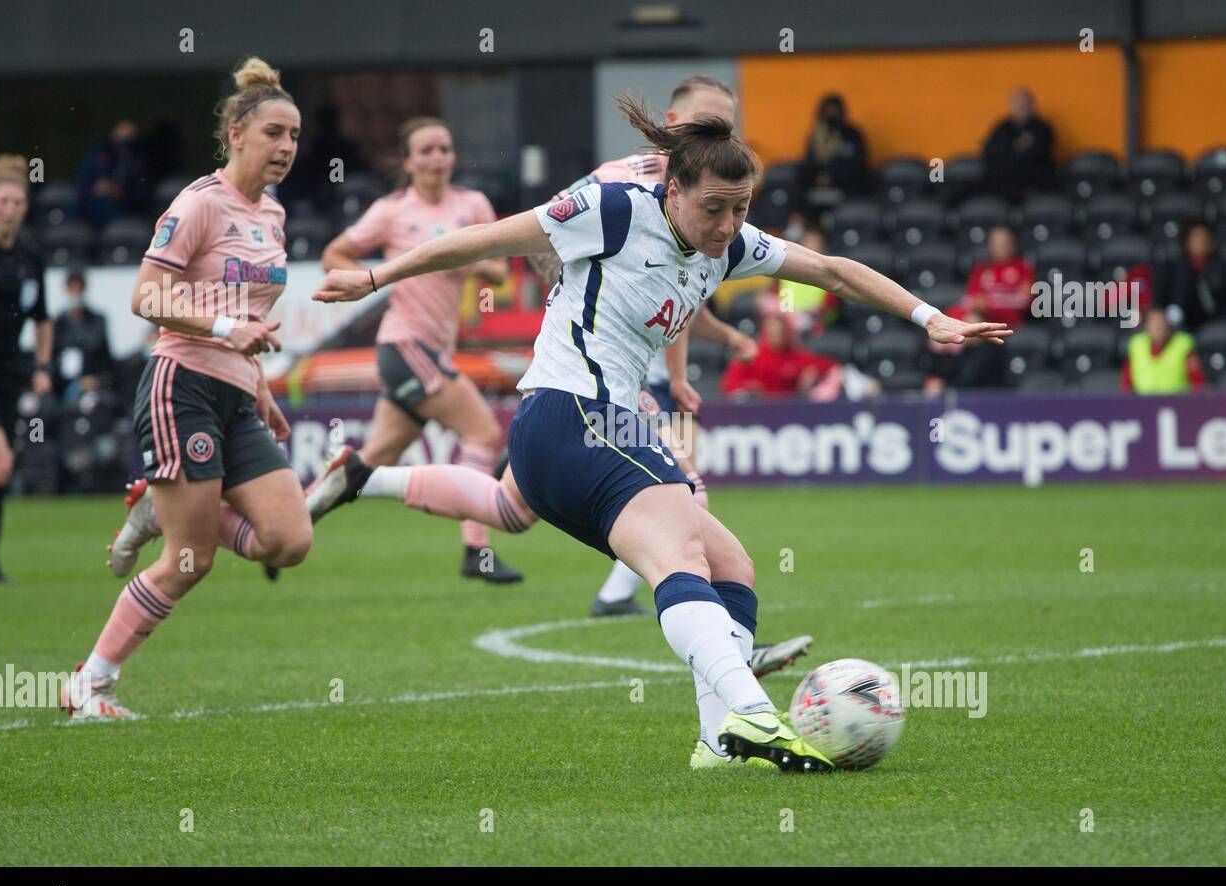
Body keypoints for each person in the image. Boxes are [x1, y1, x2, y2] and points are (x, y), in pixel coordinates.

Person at [307, 95, 1010, 770]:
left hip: (594, 426)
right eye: (713, 208)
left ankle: (717, 740)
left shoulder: (726, 247)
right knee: (679, 555)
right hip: (572, 415)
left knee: (732, 567)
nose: (728, 224)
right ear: (673, 189)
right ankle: (753, 713)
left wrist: (928, 317)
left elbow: (828, 272)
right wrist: (376, 277)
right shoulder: (612, 210)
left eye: (741, 209)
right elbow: (479, 241)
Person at [62, 57, 313, 719]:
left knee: (290, 540)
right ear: (236, 132)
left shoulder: (275, 214)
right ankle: (90, 683)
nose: (286, 146)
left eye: (294, 135)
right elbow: (147, 297)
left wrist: (257, 384)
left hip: (235, 394)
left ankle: (158, 505)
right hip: (182, 387)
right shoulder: (200, 203)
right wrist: (228, 327)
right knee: (189, 560)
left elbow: (250, 318)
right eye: (274, 133)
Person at [530, 76, 761, 621]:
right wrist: (576, 289)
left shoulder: (713, 199)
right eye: (709, 122)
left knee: (508, 509)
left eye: (726, 125)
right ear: (676, 124)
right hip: (594, 381)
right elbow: (544, 236)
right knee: (687, 493)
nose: (720, 133)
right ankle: (711, 641)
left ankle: (368, 477)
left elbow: (684, 300)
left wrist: (697, 360)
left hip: (645, 381)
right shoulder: (618, 187)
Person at [317, 116, 520, 583]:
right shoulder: (391, 211)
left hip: (432, 350)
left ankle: (293, 525)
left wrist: (465, 262)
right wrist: (373, 284)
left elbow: (499, 272)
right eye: (426, 151)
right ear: (408, 162)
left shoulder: (473, 205)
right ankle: (476, 550)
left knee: (370, 462)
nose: (437, 158)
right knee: (484, 435)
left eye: (444, 149)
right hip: (403, 343)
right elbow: (335, 255)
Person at [0, 154, 52, 585]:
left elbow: (43, 318)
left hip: (10, 370)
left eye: (17, 202)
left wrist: (43, 366)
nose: (10, 208)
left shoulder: (30, 252)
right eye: (3, 200)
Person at [928, 224, 1033, 391]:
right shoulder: (982, 269)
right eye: (996, 242)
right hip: (981, 324)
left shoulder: (1023, 268)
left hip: (1007, 326)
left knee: (976, 342)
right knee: (943, 331)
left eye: (1004, 241)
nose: (1001, 246)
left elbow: (1023, 302)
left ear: (1013, 243)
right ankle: (937, 380)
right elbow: (971, 301)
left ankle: (953, 386)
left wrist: (989, 304)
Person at [721, 308, 842, 399]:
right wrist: (746, 388)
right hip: (759, 412)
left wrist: (813, 371)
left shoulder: (796, 355)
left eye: (780, 331)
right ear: (765, 332)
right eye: (772, 331)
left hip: (789, 411)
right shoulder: (752, 356)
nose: (777, 335)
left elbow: (829, 365)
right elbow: (729, 386)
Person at [1154, 222, 1226, 333]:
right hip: (1179, 325)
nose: (1200, 242)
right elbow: (1160, 299)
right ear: (1187, 242)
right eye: (1196, 238)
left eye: (1204, 238)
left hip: (1214, 323)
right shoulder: (1174, 268)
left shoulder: (1221, 267)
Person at [982, 88, 1055, 203]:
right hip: (1002, 180)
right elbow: (988, 151)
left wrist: (1008, 150)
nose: (1020, 107)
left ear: (1033, 105)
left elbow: (1038, 154)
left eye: (1024, 103)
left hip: (1032, 181)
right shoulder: (1003, 127)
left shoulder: (1042, 127)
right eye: (1017, 103)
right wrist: (1015, 145)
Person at [73, 119, 149, 229]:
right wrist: (95, 188)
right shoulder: (99, 153)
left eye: (128, 139)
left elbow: (142, 194)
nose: (123, 142)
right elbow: (82, 182)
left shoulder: (137, 161)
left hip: (123, 208)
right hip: (91, 204)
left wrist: (119, 191)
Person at [51, 271, 115, 401]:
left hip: (92, 383)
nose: (75, 293)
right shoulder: (59, 322)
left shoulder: (97, 320)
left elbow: (104, 357)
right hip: (63, 385)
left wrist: (96, 380)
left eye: (78, 288)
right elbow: (54, 357)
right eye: (71, 288)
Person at [798, 94, 869, 202]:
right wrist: (818, 178)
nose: (831, 114)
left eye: (834, 110)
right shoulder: (816, 136)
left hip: (847, 185)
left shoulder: (852, 135)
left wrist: (833, 178)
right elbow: (809, 163)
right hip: (818, 184)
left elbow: (858, 165)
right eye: (828, 110)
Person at [1121, 306, 1205, 394]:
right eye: (1154, 325)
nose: (1159, 329)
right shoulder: (1136, 345)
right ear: (1146, 327)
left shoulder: (1183, 345)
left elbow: (1198, 383)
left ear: (1168, 326)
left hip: (1176, 402)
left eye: (1162, 324)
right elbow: (1126, 383)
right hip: (1143, 403)